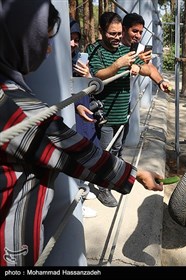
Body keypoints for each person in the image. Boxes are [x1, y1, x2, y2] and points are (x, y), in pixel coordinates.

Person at [0, 0, 163, 266]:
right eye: (42, 39)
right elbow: (71, 149)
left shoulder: (11, 88)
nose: (50, 49)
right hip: (9, 245)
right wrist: (135, 175)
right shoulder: (14, 106)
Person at [86, 12, 152, 208]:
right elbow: (99, 75)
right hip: (105, 114)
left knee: (117, 149)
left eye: (118, 33)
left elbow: (147, 69)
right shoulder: (95, 50)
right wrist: (119, 64)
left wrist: (140, 67)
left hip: (123, 112)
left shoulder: (126, 50)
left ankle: (114, 178)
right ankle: (103, 188)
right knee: (105, 152)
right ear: (101, 31)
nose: (116, 38)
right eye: (111, 33)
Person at [70, 18, 98, 218]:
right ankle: (75, 203)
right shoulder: (52, 63)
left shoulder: (76, 59)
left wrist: (88, 75)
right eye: (69, 39)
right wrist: (75, 104)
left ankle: (82, 188)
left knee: (86, 148)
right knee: (73, 156)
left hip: (84, 112)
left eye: (76, 39)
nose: (73, 44)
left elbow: (92, 85)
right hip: (70, 117)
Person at [121, 12, 171, 94]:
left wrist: (161, 82)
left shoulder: (140, 48)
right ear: (124, 29)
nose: (138, 36)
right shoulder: (114, 46)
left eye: (140, 32)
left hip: (127, 100)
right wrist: (138, 61)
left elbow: (150, 67)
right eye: (135, 31)